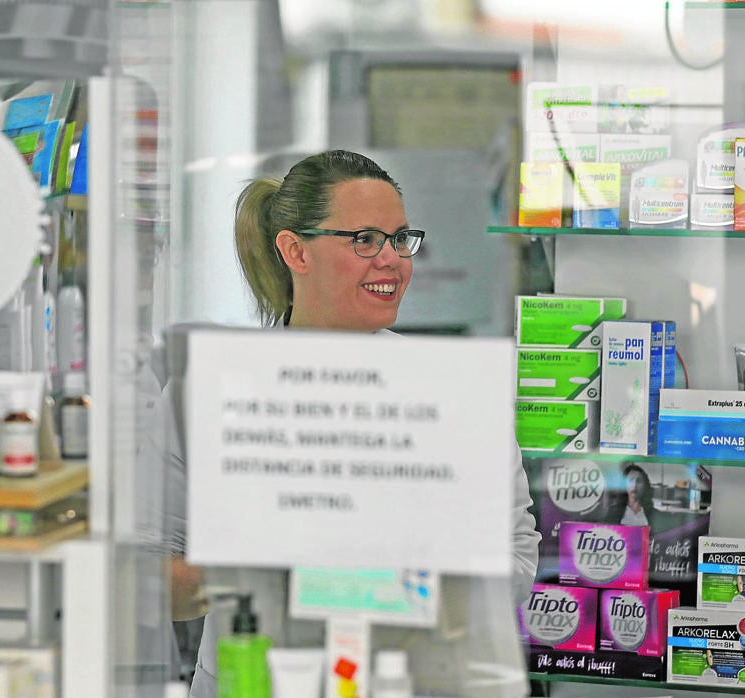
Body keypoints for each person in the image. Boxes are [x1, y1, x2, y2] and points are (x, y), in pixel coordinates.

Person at [176, 150, 540, 695]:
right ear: (295, 250)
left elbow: (515, 557)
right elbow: (151, 576)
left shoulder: (449, 390)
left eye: (400, 239)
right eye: (364, 240)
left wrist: (405, 577)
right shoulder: (211, 388)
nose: (391, 260)